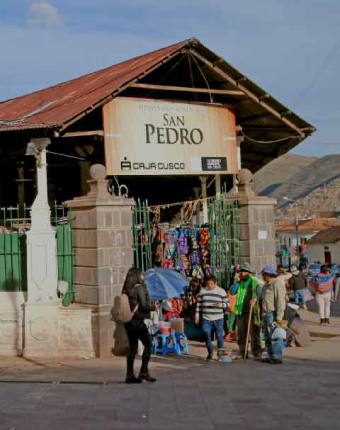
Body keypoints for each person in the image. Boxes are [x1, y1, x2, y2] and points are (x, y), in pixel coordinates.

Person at [122, 267, 156, 384]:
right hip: (138, 322)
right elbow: (145, 306)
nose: (143, 276)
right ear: (137, 276)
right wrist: (154, 307)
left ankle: (129, 375)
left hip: (128, 322)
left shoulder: (126, 289)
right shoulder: (140, 288)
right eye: (142, 274)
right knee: (148, 345)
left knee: (132, 349)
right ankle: (143, 372)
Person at [195, 275, 228, 361]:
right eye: (208, 284)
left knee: (220, 336)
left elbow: (228, 304)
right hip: (206, 318)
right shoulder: (203, 291)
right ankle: (210, 352)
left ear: (215, 283)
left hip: (219, 318)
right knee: (206, 334)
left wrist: (220, 305)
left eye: (211, 284)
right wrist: (197, 316)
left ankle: (220, 354)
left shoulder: (221, 291)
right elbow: (199, 304)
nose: (209, 286)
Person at [234, 263, 262, 360]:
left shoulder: (255, 282)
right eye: (239, 272)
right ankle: (243, 352)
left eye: (242, 272)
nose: (240, 274)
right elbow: (233, 292)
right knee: (241, 333)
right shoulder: (239, 283)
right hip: (240, 312)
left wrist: (255, 300)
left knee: (254, 333)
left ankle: (257, 352)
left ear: (248, 273)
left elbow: (260, 294)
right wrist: (235, 283)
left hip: (252, 312)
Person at [261, 265, 287, 364]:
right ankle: (269, 355)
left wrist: (279, 317)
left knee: (276, 336)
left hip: (274, 314)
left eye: (263, 275)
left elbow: (281, 301)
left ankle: (277, 356)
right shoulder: (265, 285)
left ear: (267, 274)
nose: (262, 277)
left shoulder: (277, 284)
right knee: (267, 336)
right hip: (266, 314)